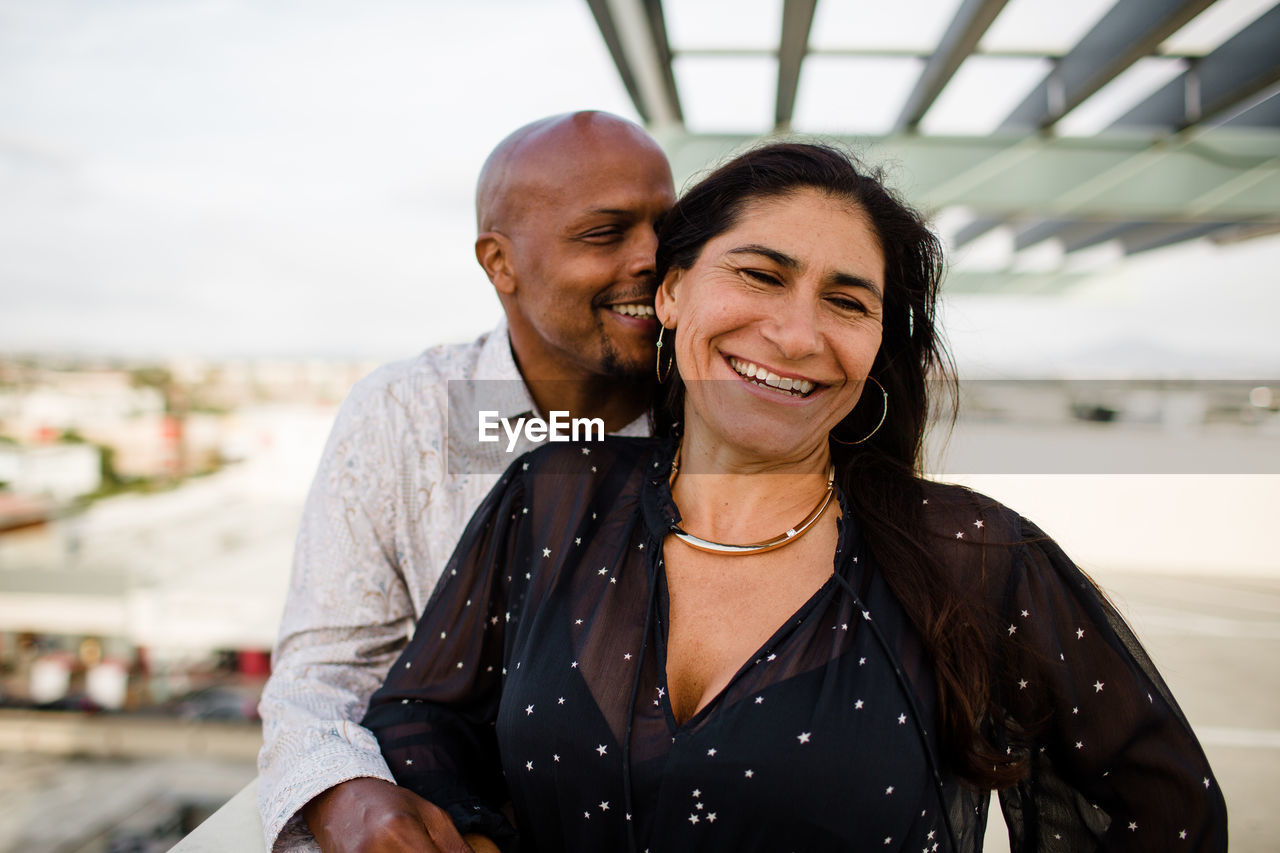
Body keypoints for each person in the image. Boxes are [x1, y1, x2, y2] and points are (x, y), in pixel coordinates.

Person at [362, 142, 1228, 852]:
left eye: (847, 300)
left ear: (876, 344)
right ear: (670, 291)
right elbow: (420, 710)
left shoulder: (974, 553)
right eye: (761, 275)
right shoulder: (548, 498)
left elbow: (1165, 812)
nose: (798, 333)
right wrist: (469, 830)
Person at [256, 110, 675, 852]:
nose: (653, 257)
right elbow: (324, 672)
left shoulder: (731, 412)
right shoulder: (404, 412)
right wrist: (347, 796)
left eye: (667, 228)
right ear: (499, 263)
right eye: (605, 233)